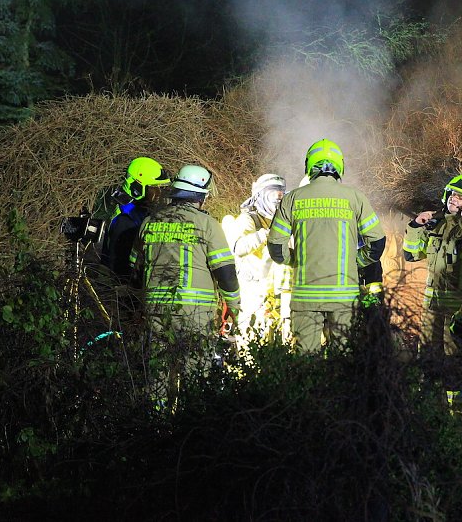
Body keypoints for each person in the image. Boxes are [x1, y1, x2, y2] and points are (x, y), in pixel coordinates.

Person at [130, 164, 240, 408]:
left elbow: (134, 269)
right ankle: (190, 433)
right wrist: (235, 308)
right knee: (195, 376)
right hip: (195, 313)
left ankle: (154, 430)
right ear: (201, 196)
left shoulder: (150, 222)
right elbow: (226, 273)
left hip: (155, 311)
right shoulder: (207, 224)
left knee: (156, 377)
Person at [267, 138, 385, 352]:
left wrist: (296, 259)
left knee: (305, 360)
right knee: (342, 360)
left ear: (309, 165)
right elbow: (376, 242)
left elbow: (276, 247)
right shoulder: (355, 198)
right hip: (344, 297)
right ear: (339, 165)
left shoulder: (292, 199)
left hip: (305, 296)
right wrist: (356, 261)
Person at [403, 173, 462, 419]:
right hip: (432, 309)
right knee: (429, 361)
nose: (454, 199)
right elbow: (411, 255)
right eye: (453, 194)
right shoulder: (437, 224)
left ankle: (457, 423)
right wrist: (416, 225)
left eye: (461, 197)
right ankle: (433, 419)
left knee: (455, 365)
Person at [221, 173, 289, 339]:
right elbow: (238, 247)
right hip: (252, 296)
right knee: (250, 347)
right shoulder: (248, 219)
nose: (277, 199)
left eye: (281, 194)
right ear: (261, 195)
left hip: (277, 296)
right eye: (273, 194)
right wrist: (266, 234)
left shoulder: (284, 222)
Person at [101, 157, 171, 279]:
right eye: (155, 188)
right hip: (122, 288)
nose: (159, 193)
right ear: (137, 188)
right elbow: (119, 264)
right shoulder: (126, 217)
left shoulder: (137, 210)